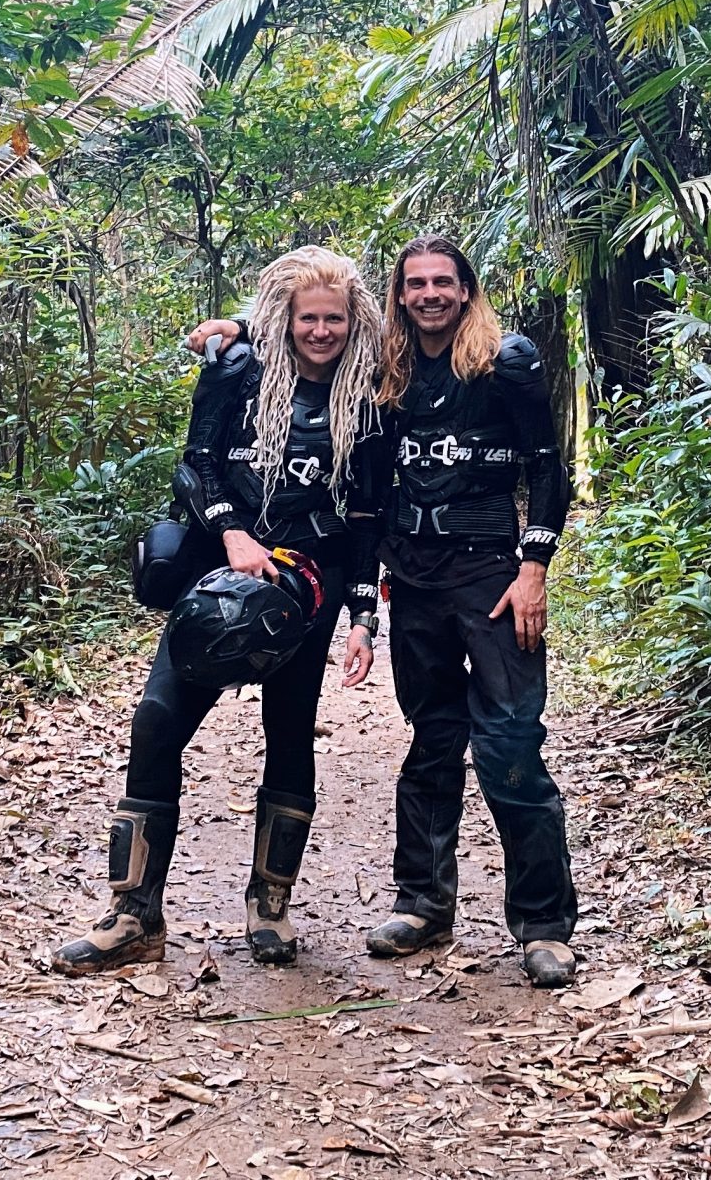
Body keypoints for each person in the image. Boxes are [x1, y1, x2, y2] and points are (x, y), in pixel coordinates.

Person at [192, 235, 579, 987]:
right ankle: (424, 902)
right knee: (433, 739)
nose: (430, 294)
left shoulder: (506, 361)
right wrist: (234, 326)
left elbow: (545, 466)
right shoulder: (386, 374)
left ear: (466, 289)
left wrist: (535, 568)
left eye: (444, 282)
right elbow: (305, 333)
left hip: (493, 576)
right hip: (418, 579)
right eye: (415, 285)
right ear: (398, 297)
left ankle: (543, 924)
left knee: (509, 745)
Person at [54, 247, 386, 974]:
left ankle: (270, 905)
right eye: (308, 318)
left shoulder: (370, 394)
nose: (321, 332)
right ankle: (134, 915)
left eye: (334, 319)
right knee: (157, 721)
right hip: (219, 567)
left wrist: (364, 615)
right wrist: (233, 531)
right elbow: (194, 461)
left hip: (307, 581)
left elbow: (367, 516)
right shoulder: (239, 369)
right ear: (285, 319)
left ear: (352, 320)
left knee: (290, 728)